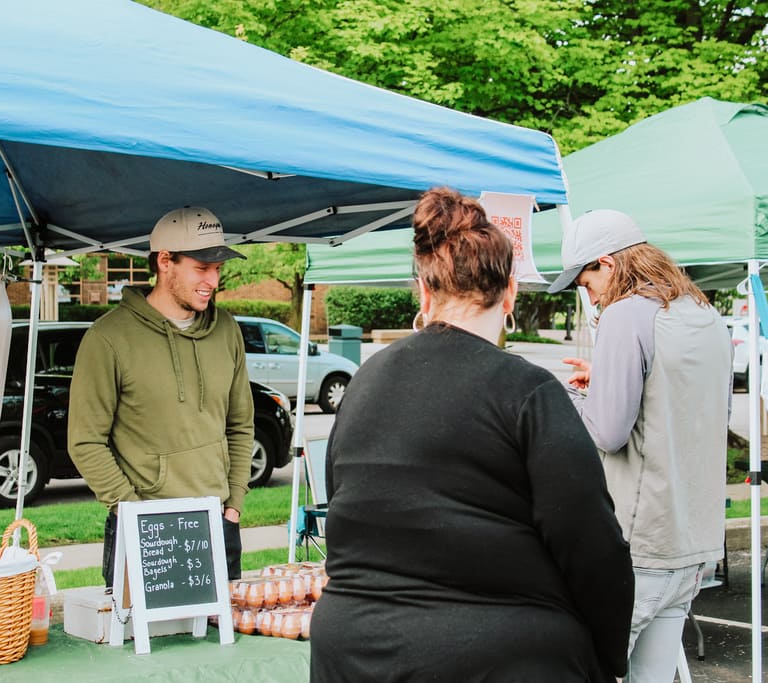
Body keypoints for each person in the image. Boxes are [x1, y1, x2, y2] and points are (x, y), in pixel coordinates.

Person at [310, 187, 635, 682]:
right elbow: (592, 546)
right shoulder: (528, 390)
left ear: (424, 291)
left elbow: (344, 505)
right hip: (497, 654)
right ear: (510, 292)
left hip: (351, 649)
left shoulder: (364, 383)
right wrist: (609, 656)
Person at [547, 209, 733, 682]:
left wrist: (560, 393)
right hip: (694, 542)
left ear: (607, 265)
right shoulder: (704, 314)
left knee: (586, 670)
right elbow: (679, 405)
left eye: (586, 282)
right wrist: (604, 383)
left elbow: (608, 432)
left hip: (638, 542)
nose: (588, 296)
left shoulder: (625, 315)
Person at [68, 206, 254, 586]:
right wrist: (133, 513)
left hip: (217, 524)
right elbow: (86, 441)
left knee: (226, 646)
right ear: (165, 261)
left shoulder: (227, 331)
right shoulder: (108, 338)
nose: (213, 281)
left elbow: (240, 425)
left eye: (218, 269)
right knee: (138, 646)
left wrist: (233, 505)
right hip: (145, 529)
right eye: (202, 268)